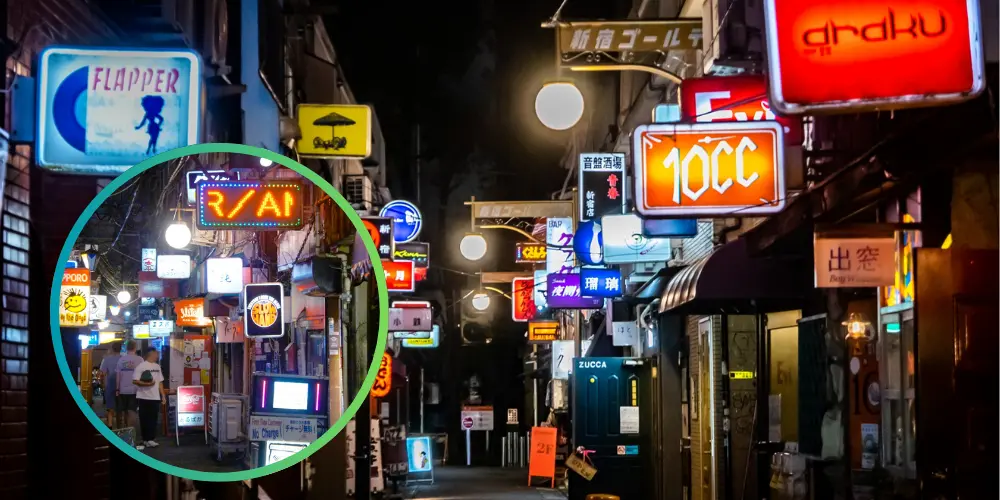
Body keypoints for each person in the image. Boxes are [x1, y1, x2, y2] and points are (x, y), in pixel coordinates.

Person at [132, 347, 165, 450]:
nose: (157, 356)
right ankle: (146, 439)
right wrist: (147, 384)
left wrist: (163, 395)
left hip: (155, 397)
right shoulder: (141, 366)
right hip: (143, 397)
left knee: (153, 418)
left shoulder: (157, 366)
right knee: (144, 419)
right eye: (156, 354)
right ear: (151, 354)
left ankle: (151, 439)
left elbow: (160, 382)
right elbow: (135, 381)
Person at [116, 341, 144, 430]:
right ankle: (131, 431)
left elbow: (118, 375)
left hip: (123, 389)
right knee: (132, 411)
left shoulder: (121, 360)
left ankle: (124, 430)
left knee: (124, 411)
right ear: (135, 348)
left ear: (127, 348)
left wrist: (117, 389)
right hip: (135, 389)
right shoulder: (140, 360)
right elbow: (144, 375)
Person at [98, 342, 122, 427]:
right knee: (120, 407)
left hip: (110, 385)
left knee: (110, 407)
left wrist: (102, 384)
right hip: (121, 386)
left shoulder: (107, 359)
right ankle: (120, 426)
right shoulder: (123, 359)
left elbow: (102, 373)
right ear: (121, 348)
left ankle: (110, 425)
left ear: (112, 349)